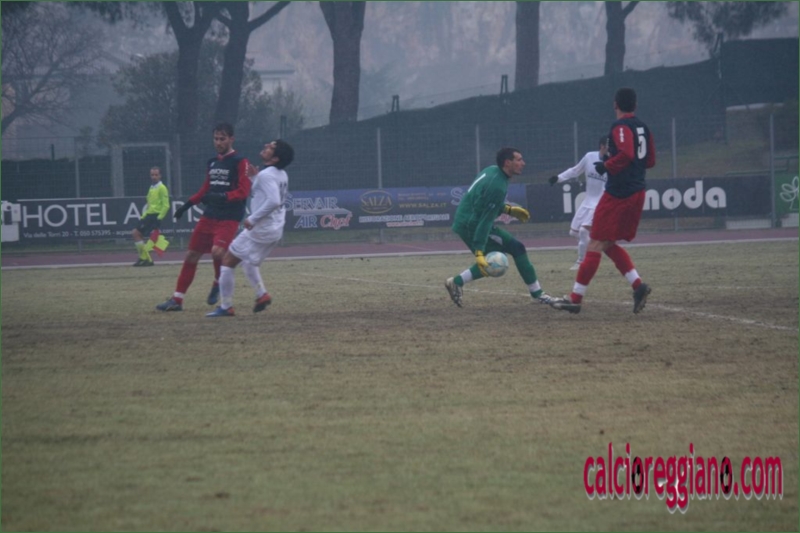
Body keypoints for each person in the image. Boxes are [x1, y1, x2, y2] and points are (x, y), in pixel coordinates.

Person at [552, 88, 656, 315]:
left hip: (619, 193)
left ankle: (575, 298)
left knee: (595, 242)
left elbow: (626, 154)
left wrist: (607, 165)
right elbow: (650, 161)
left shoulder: (620, 127)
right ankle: (638, 286)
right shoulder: (643, 127)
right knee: (607, 243)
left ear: (615, 104)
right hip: (638, 191)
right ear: (635, 105)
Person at [444, 147, 561, 308]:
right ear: (507, 163)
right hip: (471, 224)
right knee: (493, 262)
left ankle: (537, 293)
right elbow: (486, 220)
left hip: (469, 218)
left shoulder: (492, 171)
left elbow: (482, 201)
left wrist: (508, 210)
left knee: (516, 248)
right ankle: (456, 282)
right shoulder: (497, 186)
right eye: (519, 160)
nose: (523, 163)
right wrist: (479, 251)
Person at [156, 123, 251, 311]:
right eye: (216, 138)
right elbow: (205, 189)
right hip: (210, 214)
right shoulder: (212, 162)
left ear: (231, 139)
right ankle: (177, 300)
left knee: (217, 251)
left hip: (229, 216)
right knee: (191, 254)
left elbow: (243, 191)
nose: (218, 142)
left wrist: (223, 196)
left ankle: (218, 280)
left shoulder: (240, 162)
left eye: (222, 139)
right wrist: (187, 205)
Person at [206, 140, 294, 317]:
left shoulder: (267, 175)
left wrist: (253, 218)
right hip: (275, 229)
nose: (266, 145)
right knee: (248, 262)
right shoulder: (281, 174)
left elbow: (273, 201)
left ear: (275, 158)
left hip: (262, 229)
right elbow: (266, 193)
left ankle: (226, 306)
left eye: (271, 147)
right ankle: (262, 295)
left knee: (227, 261)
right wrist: (255, 178)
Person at [548, 137, 608, 270]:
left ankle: (582, 262)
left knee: (583, 231)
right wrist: (558, 178)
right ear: (602, 146)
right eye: (609, 146)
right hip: (588, 201)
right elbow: (575, 170)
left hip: (601, 202)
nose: (612, 149)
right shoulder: (589, 157)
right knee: (573, 232)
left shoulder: (613, 163)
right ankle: (596, 247)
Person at [132, 166, 170, 267]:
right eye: (152, 175)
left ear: (160, 176)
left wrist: (159, 218)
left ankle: (144, 258)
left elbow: (166, 205)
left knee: (135, 233)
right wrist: (144, 216)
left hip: (154, 216)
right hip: (149, 215)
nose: (154, 177)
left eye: (156, 175)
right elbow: (149, 204)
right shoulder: (152, 187)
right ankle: (146, 259)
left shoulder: (162, 188)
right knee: (138, 235)